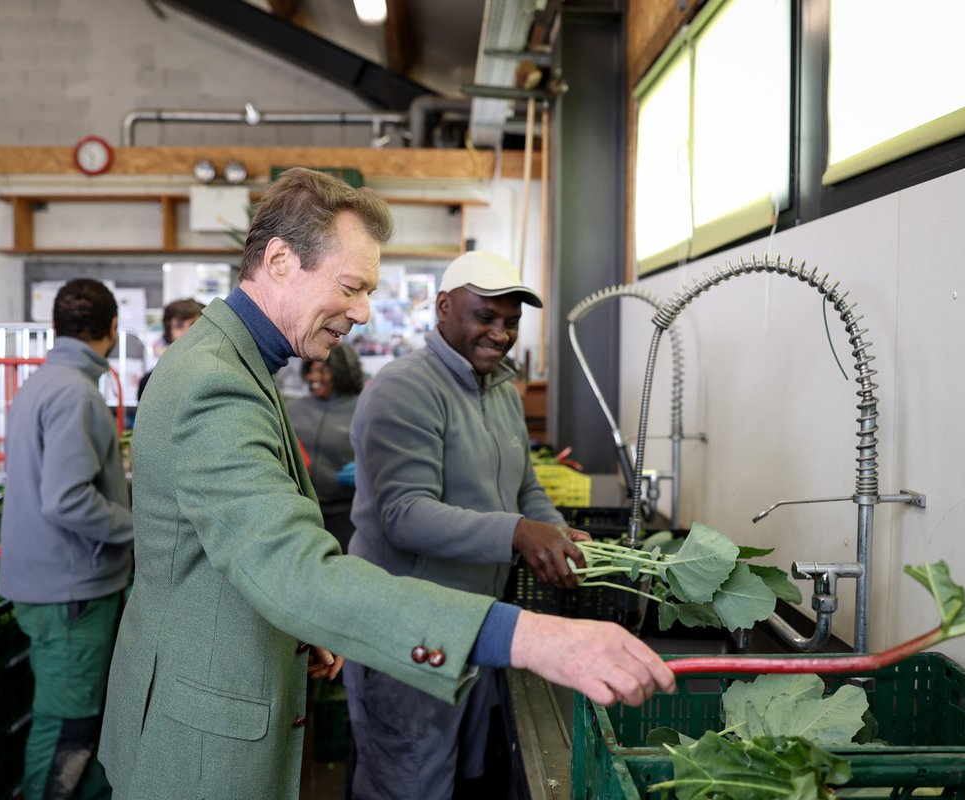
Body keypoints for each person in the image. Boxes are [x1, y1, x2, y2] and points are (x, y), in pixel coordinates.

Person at [97, 168, 674, 800]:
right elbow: (297, 568)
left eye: (369, 292)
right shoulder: (217, 383)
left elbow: (236, 551)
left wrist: (296, 624)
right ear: (282, 260)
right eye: (351, 287)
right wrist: (529, 636)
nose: (364, 313)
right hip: (197, 743)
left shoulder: (238, 364)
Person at [343, 251, 585, 799]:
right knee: (409, 782)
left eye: (511, 322)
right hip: (409, 630)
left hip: (477, 624)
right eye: (486, 317)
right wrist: (520, 534)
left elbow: (523, 487)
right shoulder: (403, 389)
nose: (500, 334)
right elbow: (405, 516)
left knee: (463, 780)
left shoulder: (501, 389)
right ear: (444, 308)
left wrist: (554, 532)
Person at [0, 279, 134, 800]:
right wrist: (134, 529)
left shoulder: (41, 383)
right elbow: (67, 498)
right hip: (71, 590)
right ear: (113, 329)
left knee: (83, 724)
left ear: (56, 327)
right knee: (67, 730)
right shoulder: (75, 393)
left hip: (52, 585)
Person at [286, 343, 363, 549]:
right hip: (301, 511)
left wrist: (369, 470)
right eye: (311, 371)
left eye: (323, 370)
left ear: (342, 371)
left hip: (347, 515)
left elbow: (387, 456)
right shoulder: (293, 409)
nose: (313, 377)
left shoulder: (364, 410)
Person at [136, 297, 204, 401]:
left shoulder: (215, 376)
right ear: (169, 334)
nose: (188, 332)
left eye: (194, 325)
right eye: (179, 326)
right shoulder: (150, 382)